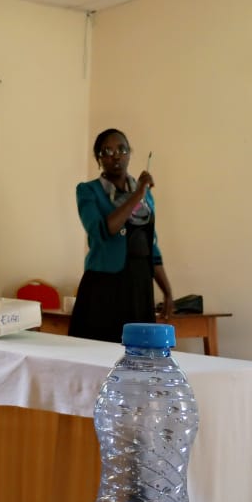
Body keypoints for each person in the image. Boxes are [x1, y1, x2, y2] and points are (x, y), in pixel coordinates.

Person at [68, 128, 174, 343]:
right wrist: (137, 195)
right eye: (107, 151)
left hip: (139, 284)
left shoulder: (144, 194)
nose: (116, 155)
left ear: (130, 153)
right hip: (104, 285)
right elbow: (103, 231)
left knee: (137, 357)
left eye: (122, 149)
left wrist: (167, 291)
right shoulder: (88, 191)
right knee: (99, 355)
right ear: (99, 158)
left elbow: (150, 245)